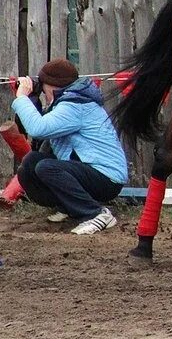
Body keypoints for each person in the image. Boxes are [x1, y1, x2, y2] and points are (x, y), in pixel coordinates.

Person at [12, 59, 129, 235]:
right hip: (89, 171)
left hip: (106, 178)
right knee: (30, 164)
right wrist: (31, 99)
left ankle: (96, 214)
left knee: (46, 167)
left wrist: (21, 97)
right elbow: (32, 131)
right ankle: (69, 207)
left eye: (43, 87)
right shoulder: (68, 102)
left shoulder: (75, 106)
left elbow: (37, 129)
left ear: (51, 87)